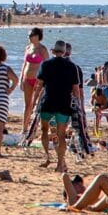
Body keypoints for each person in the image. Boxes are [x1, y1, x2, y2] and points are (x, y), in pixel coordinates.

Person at [36, 40, 79, 171]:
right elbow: (76, 89)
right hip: (63, 103)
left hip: (48, 102)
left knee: (44, 130)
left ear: (53, 51)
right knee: (61, 134)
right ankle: (60, 164)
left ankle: (48, 157)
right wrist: (78, 104)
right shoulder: (72, 67)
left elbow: (39, 85)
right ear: (65, 52)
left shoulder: (46, 64)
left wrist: (34, 101)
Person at [19, 27, 49, 132]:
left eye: (31, 35)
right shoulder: (28, 48)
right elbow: (24, 64)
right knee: (27, 105)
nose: (29, 37)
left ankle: (37, 128)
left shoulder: (42, 49)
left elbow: (47, 66)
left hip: (38, 81)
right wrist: (21, 78)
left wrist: (46, 81)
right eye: (28, 35)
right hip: (27, 79)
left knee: (37, 105)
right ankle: (24, 129)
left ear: (37, 36)